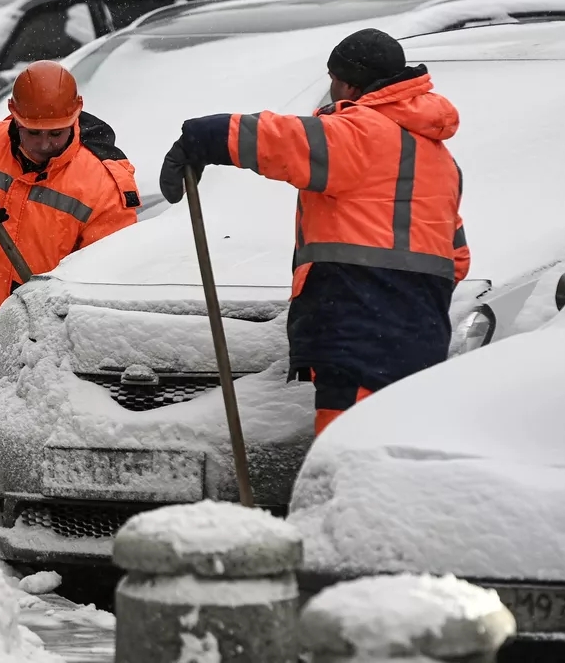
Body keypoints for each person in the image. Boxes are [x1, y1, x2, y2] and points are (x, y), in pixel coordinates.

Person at [157, 29, 470, 436]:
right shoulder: (437, 159)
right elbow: (456, 258)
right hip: (420, 331)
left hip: (359, 323)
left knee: (349, 454)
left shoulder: (362, 132)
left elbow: (283, 140)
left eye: (333, 79)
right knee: (398, 448)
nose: (331, 89)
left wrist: (205, 136)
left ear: (350, 83)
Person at [0, 60, 141, 373]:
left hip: (51, 334)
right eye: (33, 133)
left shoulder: (101, 183)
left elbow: (109, 277)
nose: (44, 145)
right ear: (13, 114)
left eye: (56, 134)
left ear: (76, 116)